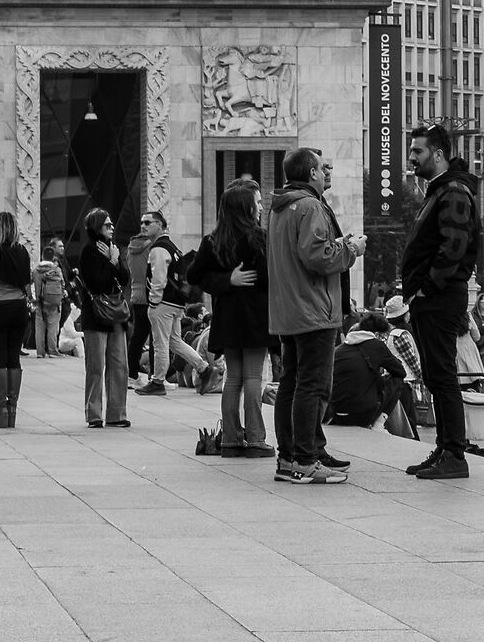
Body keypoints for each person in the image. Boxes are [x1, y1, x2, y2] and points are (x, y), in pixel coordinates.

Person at [266, 147, 365, 484]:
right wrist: (350, 249)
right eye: (324, 168)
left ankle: (292, 455)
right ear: (311, 173)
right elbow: (318, 256)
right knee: (313, 385)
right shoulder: (309, 206)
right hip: (313, 308)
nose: (327, 173)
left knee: (292, 383)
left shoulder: (282, 207)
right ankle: (304, 460)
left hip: (291, 308)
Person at [398, 124, 482, 481]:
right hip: (433, 298)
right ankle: (446, 447)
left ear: (437, 154)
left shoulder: (454, 191)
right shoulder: (442, 191)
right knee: (435, 374)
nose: (411, 157)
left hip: (440, 298)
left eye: (417, 151)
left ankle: (454, 454)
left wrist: (426, 288)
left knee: (443, 376)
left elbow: (454, 246)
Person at [185, 177, 271, 455]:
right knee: (253, 378)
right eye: (257, 203)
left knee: (234, 377)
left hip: (227, 318)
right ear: (246, 208)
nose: (260, 208)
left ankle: (232, 439)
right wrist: (232, 279)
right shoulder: (259, 239)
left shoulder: (213, 241)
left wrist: (225, 281)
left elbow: (194, 276)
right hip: (256, 317)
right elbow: (271, 279)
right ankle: (256, 439)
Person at [75, 209, 133, 428]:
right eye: (107, 225)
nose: (111, 228)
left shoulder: (113, 249)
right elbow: (96, 283)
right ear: (96, 227)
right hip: (96, 314)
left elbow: (125, 278)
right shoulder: (89, 251)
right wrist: (111, 263)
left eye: (111, 225)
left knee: (120, 365)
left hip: (116, 314)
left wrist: (117, 260)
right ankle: (94, 414)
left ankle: (117, 414)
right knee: (96, 366)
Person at [0, 211, 34, 427]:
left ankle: (0, 412)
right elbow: (28, 282)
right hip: (19, 308)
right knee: (14, 358)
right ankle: (12, 412)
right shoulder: (23, 252)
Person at [131, 211, 187, 392]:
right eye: (141, 222)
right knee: (174, 341)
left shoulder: (158, 248)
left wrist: (154, 302)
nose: (143, 226)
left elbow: (158, 279)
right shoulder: (171, 247)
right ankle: (203, 367)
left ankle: (157, 381)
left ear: (160, 225)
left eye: (147, 222)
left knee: (157, 342)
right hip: (175, 301)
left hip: (160, 301)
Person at [332, 311, 414, 429]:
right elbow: (400, 372)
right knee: (397, 380)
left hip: (337, 412)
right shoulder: (376, 345)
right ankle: (380, 422)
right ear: (376, 333)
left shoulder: (339, 350)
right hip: (363, 414)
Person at [32, 240, 69, 358]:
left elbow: (27, 284)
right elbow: (62, 284)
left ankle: (40, 352)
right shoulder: (56, 270)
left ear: (42, 255)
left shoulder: (36, 270)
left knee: (39, 327)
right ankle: (52, 351)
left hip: (39, 302)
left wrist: (30, 296)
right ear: (53, 257)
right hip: (54, 302)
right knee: (53, 327)